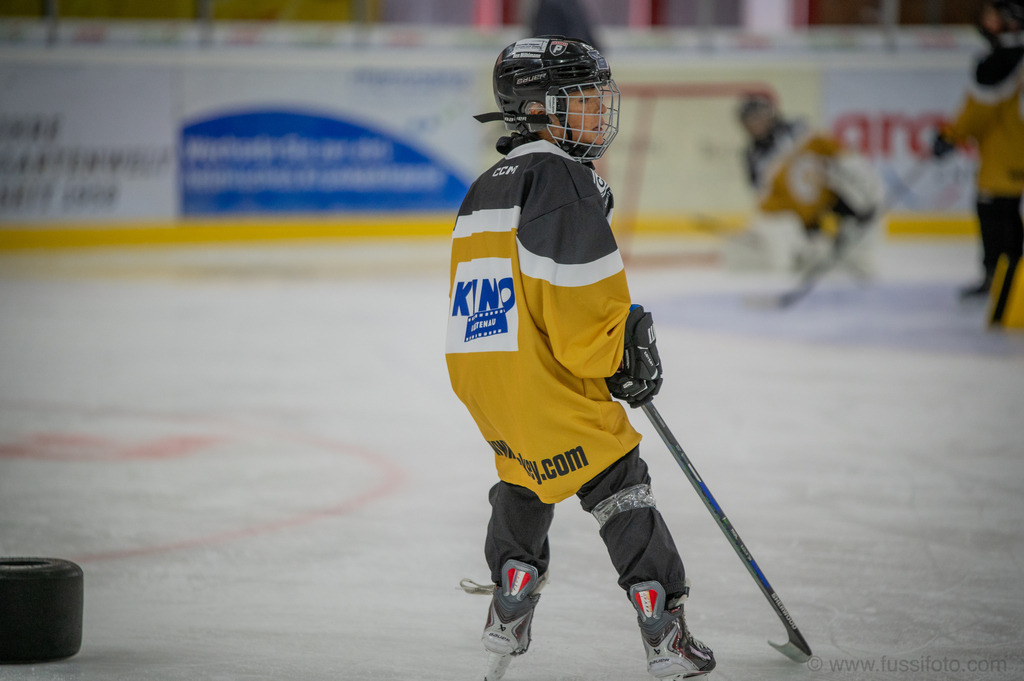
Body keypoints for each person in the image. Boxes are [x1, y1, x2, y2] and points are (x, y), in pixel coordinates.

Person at [446, 36, 715, 681]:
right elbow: (581, 322)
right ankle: (662, 626)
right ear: (539, 110)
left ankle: (511, 595)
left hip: (490, 381)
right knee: (618, 481)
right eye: (584, 101)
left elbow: (490, 303)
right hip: (553, 377)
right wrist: (624, 348)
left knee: (525, 473)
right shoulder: (565, 180)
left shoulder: (486, 185)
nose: (600, 114)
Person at [728, 94, 883, 275]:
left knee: (857, 242)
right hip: (799, 217)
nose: (756, 124)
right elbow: (764, 198)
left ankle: (849, 251)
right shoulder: (754, 156)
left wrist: (862, 194)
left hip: (827, 200)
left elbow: (841, 157)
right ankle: (811, 249)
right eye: (750, 120)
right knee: (798, 257)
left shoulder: (801, 130)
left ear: (771, 114)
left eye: (759, 116)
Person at [933, 0, 1024, 300]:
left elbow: (979, 109)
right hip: (1011, 151)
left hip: (1007, 154)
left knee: (996, 213)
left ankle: (1000, 280)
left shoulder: (1003, 60)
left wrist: (951, 136)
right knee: (1007, 215)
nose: (985, 22)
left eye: (992, 16)